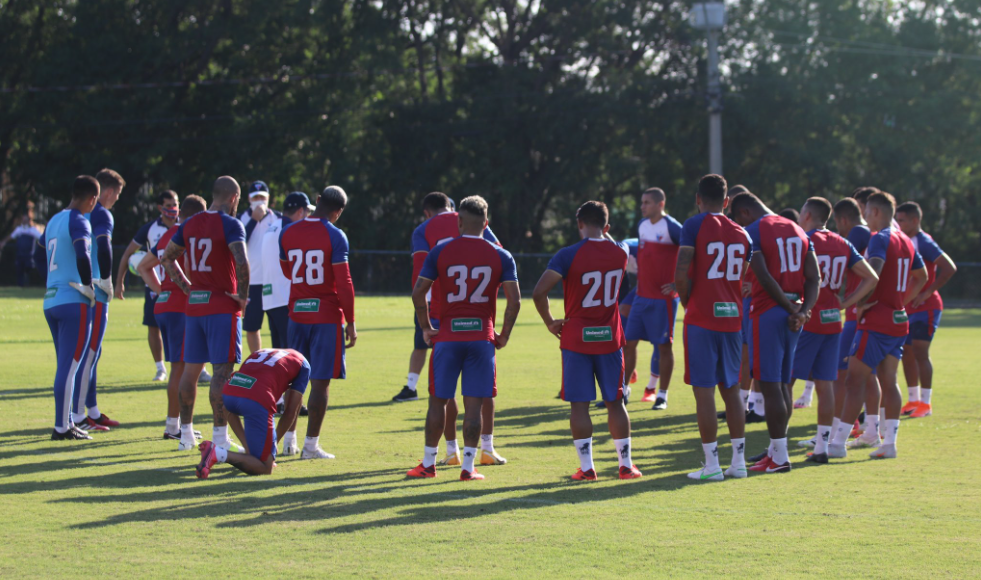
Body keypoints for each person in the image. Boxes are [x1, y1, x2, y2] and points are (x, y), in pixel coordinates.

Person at [407, 196, 521, 481]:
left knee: (438, 401)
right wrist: (503, 334)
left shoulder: (440, 250)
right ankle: (468, 468)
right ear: (486, 223)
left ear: (458, 221)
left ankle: (428, 463)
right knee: (474, 405)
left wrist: (425, 326)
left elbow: (418, 292)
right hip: (482, 337)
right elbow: (515, 301)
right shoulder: (501, 254)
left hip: (447, 335)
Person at [531, 200, 641, 481]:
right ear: (606, 227)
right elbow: (617, 246)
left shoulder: (568, 255)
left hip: (576, 338)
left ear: (579, 223)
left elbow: (539, 292)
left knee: (579, 405)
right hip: (609, 338)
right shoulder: (621, 253)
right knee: (616, 402)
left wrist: (549, 321)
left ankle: (587, 468)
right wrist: (606, 233)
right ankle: (626, 465)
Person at [828, 192, 927, 460]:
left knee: (854, 379)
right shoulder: (906, 240)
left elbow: (873, 273)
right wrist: (899, 301)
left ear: (874, 212)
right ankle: (889, 444)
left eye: (866, 212)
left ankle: (837, 444)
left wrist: (851, 302)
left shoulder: (881, 238)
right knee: (888, 380)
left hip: (877, 321)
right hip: (898, 319)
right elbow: (923, 277)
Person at [729, 191, 820, 474]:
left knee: (770, 385)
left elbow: (764, 276)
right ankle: (775, 451)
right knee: (782, 385)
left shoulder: (753, 230)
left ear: (744, 212)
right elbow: (814, 277)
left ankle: (779, 457)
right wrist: (803, 311)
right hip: (793, 313)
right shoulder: (797, 228)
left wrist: (790, 308)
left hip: (769, 312)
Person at [160, 176, 249, 452]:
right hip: (222, 307)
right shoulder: (231, 224)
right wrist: (243, 297)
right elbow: (242, 263)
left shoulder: (189, 224)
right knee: (221, 374)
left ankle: (185, 435)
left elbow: (166, 257)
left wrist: (187, 287)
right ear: (233, 198)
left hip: (195, 307)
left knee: (191, 371)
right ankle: (220, 439)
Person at [674, 174, 751, 481]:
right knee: (732, 389)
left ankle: (711, 465)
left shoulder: (694, 225)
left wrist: (686, 300)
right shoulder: (743, 234)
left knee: (704, 390)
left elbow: (681, 271)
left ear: (698, 198)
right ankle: (739, 463)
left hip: (702, 319)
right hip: (732, 320)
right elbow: (742, 274)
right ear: (727, 201)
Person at [791, 197, 878, 463]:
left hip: (808, 317)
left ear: (806, 215)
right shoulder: (843, 242)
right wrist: (845, 302)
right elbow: (871, 277)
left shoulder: (804, 240)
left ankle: (777, 446)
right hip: (833, 320)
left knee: (786, 381)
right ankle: (823, 445)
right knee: (826, 384)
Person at [279, 185, 357, 459]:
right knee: (320, 383)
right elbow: (344, 282)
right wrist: (351, 321)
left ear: (317, 200)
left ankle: (290, 441)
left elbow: (287, 271)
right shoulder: (336, 236)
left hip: (297, 314)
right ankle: (311, 446)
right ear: (338, 212)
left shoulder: (287, 231)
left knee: (293, 380)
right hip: (325, 317)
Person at [136, 195, 208, 440]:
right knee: (182, 368)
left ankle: (176, 424)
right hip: (181, 307)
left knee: (178, 367)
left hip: (165, 305)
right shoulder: (192, 233)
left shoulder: (169, 234)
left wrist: (161, 291)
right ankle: (174, 426)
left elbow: (143, 266)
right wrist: (186, 289)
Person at [42, 176, 99, 440]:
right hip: (73, 301)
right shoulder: (79, 220)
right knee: (69, 366)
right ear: (92, 199)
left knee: (65, 365)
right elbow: (82, 254)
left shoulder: (54, 219)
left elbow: (40, 246)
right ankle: (61, 428)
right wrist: (88, 285)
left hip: (51, 299)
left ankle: (65, 421)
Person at [196, 349, 310, 478]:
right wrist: (272, 446)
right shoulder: (303, 365)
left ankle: (247, 449)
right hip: (257, 398)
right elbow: (290, 412)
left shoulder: (260, 351)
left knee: (227, 408)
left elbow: (227, 403)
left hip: (229, 392)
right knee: (265, 467)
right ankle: (218, 453)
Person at [70, 168, 125, 432]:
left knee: (93, 352)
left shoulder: (76, 213)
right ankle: (78, 415)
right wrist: (107, 280)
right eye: (117, 194)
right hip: (96, 292)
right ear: (110, 191)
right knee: (89, 354)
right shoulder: (102, 213)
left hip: (80, 288)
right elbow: (104, 247)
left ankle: (90, 410)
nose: (116, 199)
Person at [895, 201, 957, 418]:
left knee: (921, 352)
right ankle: (913, 400)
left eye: (902, 220)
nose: (898, 224)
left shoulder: (924, 241)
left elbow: (949, 267)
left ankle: (926, 404)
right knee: (907, 353)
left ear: (915, 220)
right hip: (908, 307)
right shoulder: (902, 240)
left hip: (926, 307)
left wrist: (927, 292)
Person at [624, 188, 682, 411]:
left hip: (664, 299)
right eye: (642, 202)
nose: (642, 206)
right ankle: (624, 390)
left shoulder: (673, 227)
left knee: (664, 347)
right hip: (641, 297)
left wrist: (679, 284)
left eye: (646, 202)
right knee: (629, 343)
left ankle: (662, 395)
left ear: (660, 204)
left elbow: (694, 253)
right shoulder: (642, 225)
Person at [116, 189, 181, 382]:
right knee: (153, 327)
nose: (173, 209)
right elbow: (128, 253)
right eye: (169, 206)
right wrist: (119, 282)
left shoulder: (184, 226)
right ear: (160, 207)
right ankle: (160, 368)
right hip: (155, 286)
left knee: (185, 327)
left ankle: (198, 368)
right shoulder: (150, 228)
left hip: (179, 285)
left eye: (175, 204)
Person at [827, 195, 876, 446]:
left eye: (837, 224)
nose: (837, 230)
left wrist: (845, 301)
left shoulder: (856, 234)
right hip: (863, 314)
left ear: (843, 219)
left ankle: (839, 430)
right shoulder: (871, 233)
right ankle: (871, 428)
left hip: (855, 317)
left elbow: (841, 264)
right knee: (870, 375)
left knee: (840, 374)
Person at [238, 181, 281, 354]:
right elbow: (238, 244)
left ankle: (280, 363)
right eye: (255, 197)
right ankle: (258, 361)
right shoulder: (240, 219)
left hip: (274, 281)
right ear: (249, 199)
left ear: (268, 198)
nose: (259, 200)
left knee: (277, 326)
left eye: (262, 197)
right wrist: (254, 221)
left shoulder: (278, 218)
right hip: (252, 282)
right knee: (252, 326)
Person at [1, 212, 42, 286]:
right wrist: (3, 242)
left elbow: (41, 238)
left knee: (28, 269)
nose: (24, 221)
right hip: (20, 254)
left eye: (25, 219)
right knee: (19, 270)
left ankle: (28, 285)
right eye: (23, 219)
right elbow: (11, 236)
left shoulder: (33, 230)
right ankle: (20, 285)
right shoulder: (19, 229)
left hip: (29, 255)